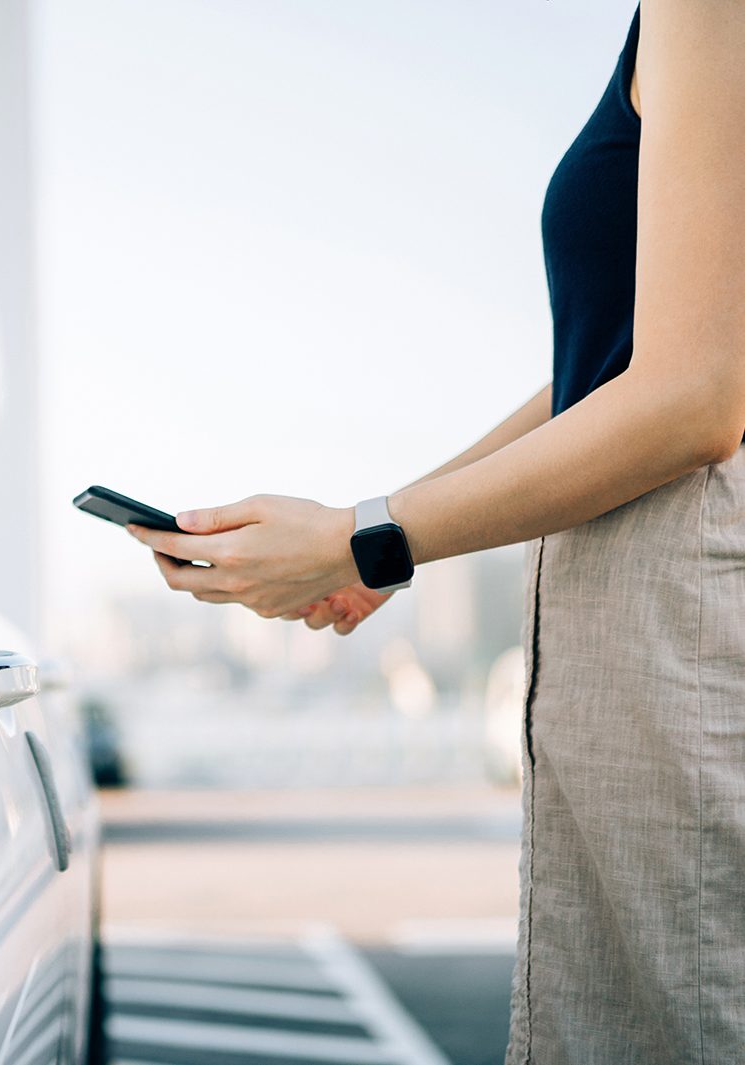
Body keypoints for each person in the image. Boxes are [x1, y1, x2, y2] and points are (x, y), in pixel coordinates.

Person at [127, 4, 745, 1062]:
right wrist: (369, 542)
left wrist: (366, 538)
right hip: (653, 617)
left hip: (680, 614)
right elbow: (606, 370)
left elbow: (693, 395)